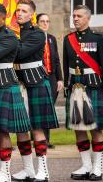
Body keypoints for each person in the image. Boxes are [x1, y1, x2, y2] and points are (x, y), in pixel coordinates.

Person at [63, 5, 103, 181]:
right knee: (79, 127)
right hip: (75, 87)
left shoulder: (98, 38)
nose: (75, 19)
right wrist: (66, 86)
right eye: (74, 16)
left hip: (93, 87)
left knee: (95, 128)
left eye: (79, 16)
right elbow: (66, 66)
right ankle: (86, 165)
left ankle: (97, 167)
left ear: (87, 18)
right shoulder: (68, 39)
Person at [0, 3, 32, 182]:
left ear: (3, 18)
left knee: (3, 131)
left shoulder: (9, 37)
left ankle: (5, 172)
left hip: (5, 86)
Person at [12, 0, 59, 182]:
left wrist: (6, 43)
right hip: (19, 83)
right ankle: (28, 170)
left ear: (32, 14)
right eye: (17, 10)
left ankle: (43, 171)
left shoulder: (38, 34)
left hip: (36, 82)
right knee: (21, 129)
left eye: (24, 11)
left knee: (37, 128)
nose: (19, 13)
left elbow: (20, 52)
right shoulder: (14, 33)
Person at [37, 13, 63, 149]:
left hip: (52, 77)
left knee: (49, 108)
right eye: (42, 21)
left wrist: (60, 79)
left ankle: (46, 139)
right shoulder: (34, 38)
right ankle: (39, 140)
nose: (45, 24)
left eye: (47, 21)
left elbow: (57, 60)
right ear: (37, 23)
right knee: (40, 108)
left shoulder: (52, 39)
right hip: (39, 77)